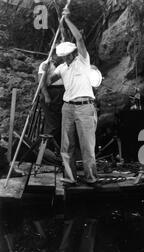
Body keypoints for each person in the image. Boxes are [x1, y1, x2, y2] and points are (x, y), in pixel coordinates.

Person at [42, 8, 97, 185]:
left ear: (73, 52)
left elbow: (79, 38)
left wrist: (66, 20)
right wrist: (46, 67)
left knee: (87, 146)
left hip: (85, 106)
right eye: (63, 56)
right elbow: (49, 80)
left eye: (67, 55)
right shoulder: (62, 68)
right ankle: (70, 178)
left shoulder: (83, 60)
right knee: (67, 146)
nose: (65, 59)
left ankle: (91, 177)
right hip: (68, 107)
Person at [38, 53, 65, 148]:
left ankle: (55, 149)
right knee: (52, 123)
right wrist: (46, 95)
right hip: (51, 92)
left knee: (61, 122)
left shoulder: (64, 64)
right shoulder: (46, 64)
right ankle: (44, 148)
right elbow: (41, 82)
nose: (62, 56)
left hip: (62, 93)